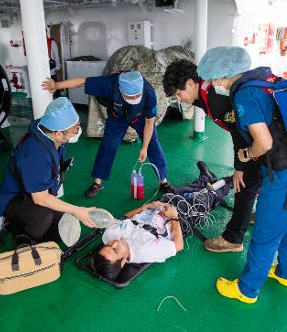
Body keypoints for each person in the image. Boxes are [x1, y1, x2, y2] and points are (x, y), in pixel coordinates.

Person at [197, 46, 287, 304]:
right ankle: (286, 273)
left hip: (284, 172)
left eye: (213, 79)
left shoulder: (244, 95)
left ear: (220, 77)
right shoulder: (267, 80)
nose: (214, 83)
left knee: (265, 232)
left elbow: (263, 143)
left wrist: (244, 155)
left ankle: (247, 289)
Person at [163, 59, 262, 253]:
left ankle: (233, 239)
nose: (180, 99)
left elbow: (238, 132)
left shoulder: (214, 96)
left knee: (243, 187)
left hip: (259, 143)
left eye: (178, 93)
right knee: (252, 183)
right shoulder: (204, 93)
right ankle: (258, 215)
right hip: (257, 140)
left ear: (191, 83)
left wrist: (240, 167)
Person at [42, 71, 174, 198]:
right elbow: (83, 82)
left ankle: (163, 181)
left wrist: (144, 147)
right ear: (121, 90)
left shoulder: (149, 93)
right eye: (130, 97)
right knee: (108, 146)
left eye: (136, 96)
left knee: (153, 144)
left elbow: (149, 123)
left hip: (139, 118)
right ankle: (97, 183)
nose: (134, 99)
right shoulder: (110, 84)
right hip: (117, 117)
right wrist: (57, 85)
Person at [92, 162, 232, 280]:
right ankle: (229, 183)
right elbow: (178, 246)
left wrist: (144, 207)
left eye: (109, 245)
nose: (115, 242)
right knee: (203, 199)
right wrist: (174, 217)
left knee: (179, 192)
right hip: (177, 219)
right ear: (123, 262)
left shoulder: (109, 235)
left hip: (154, 209)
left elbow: (125, 217)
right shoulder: (145, 251)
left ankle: (205, 179)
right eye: (116, 249)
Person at [0, 97, 95, 246]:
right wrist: (77, 210)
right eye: (75, 129)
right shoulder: (35, 154)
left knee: (61, 228)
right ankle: (22, 242)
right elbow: (41, 199)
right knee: (43, 217)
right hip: (15, 198)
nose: (78, 131)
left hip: (33, 192)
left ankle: (17, 223)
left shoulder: (50, 133)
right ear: (58, 134)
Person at [46, 28, 61, 99]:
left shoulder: (52, 42)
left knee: (54, 85)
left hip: (51, 69)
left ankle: (58, 99)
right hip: (40, 70)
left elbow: (56, 56)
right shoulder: (35, 43)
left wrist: (58, 67)